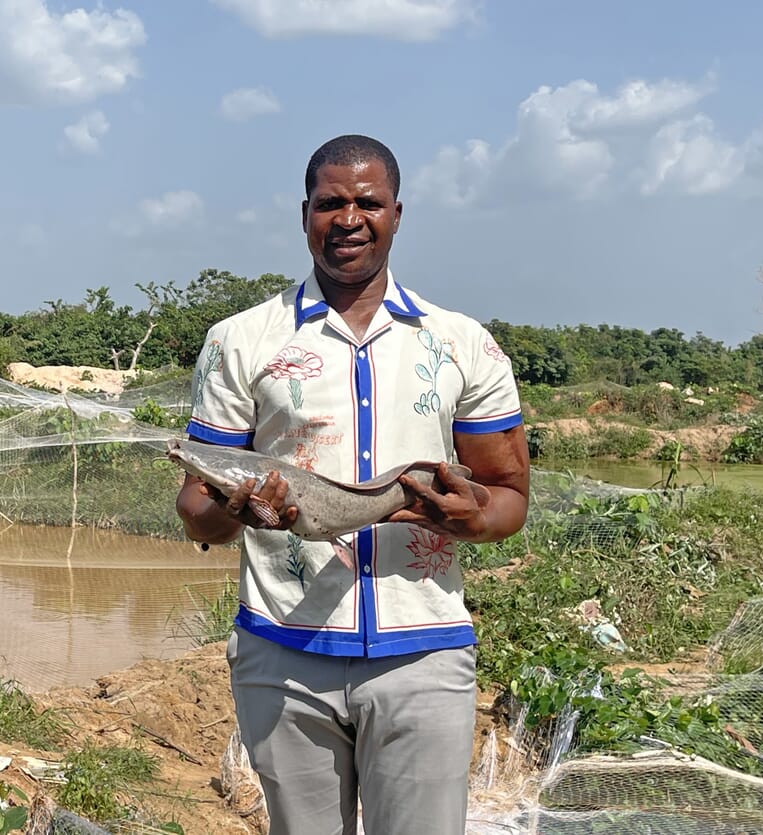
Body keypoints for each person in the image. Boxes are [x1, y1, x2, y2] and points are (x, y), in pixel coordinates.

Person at [175, 134, 530, 835]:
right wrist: (237, 510)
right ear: (303, 212)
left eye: (367, 202)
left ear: (397, 213)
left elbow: (509, 495)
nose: (348, 218)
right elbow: (195, 509)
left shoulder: (462, 343)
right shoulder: (241, 340)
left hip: (424, 653)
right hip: (283, 654)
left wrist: (470, 517)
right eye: (330, 202)